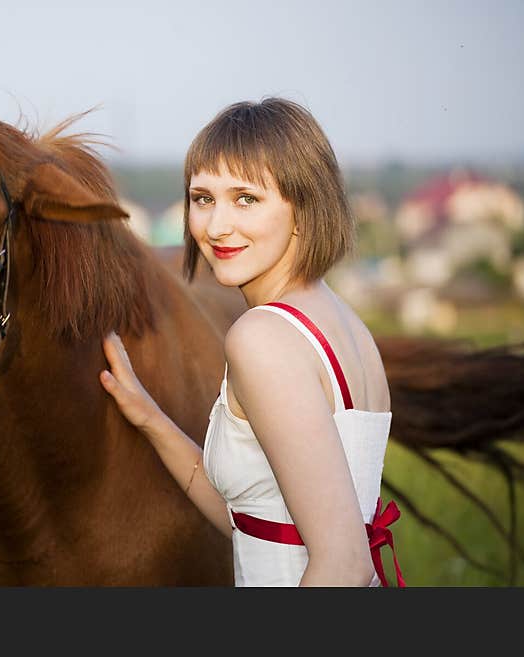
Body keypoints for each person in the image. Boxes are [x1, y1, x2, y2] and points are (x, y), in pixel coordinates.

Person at [99, 98, 404, 587]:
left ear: (304, 209)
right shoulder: (344, 323)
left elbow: (344, 564)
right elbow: (258, 522)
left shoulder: (262, 337)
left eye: (246, 199)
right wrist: (149, 417)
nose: (217, 226)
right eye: (202, 198)